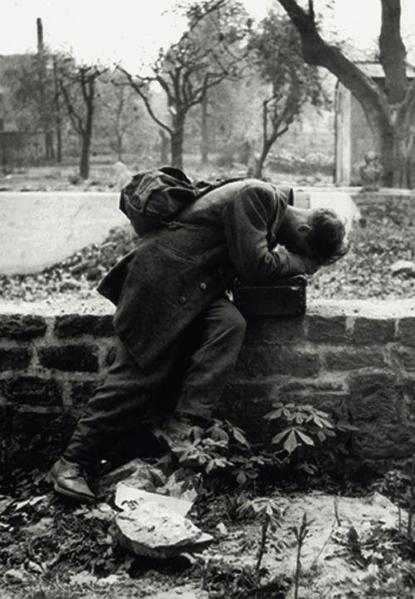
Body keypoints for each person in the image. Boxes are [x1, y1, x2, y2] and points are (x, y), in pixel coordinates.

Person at [47, 177, 347, 501]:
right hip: (161, 282)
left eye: (293, 254)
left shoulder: (266, 208)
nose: (286, 252)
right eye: (295, 249)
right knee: (138, 378)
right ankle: (70, 464)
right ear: (303, 231)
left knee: (229, 324)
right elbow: (255, 264)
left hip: (192, 288)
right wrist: (301, 263)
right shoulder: (258, 197)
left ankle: (183, 426)